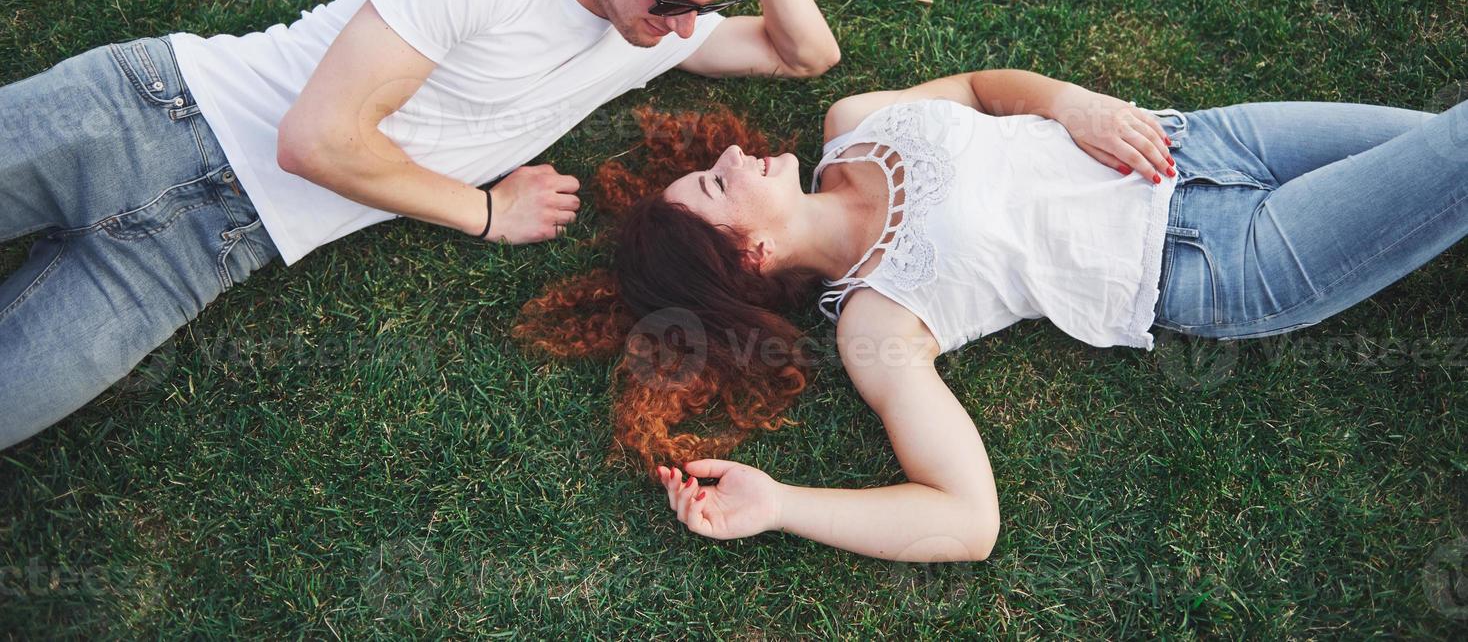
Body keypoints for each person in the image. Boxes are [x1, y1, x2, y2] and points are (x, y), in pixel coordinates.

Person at [0, 0, 841, 450]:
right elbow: (317, 142)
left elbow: (805, 54)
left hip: (208, 251)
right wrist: (486, 211)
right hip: (150, 116)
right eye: (673, 2)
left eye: (708, 4)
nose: (687, 28)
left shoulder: (654, 30)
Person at [515, 69, 1466, 563]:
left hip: (1207, 137)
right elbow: (967, 520)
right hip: (1223, 261)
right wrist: (783, 507)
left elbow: (979, 93)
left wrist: (1076, 104)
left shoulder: (856, 121)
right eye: (717, 186)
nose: (732, 154)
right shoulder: (876, 325)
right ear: (749, 258)